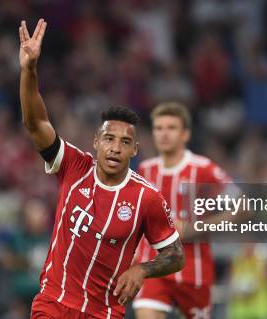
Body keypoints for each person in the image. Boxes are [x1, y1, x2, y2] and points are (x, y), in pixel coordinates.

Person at [17, 19, 185, 319]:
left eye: (125, 142)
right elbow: (36, 123)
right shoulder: (73, 165)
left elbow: (175, 255)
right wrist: (29, 70)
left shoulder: (146, 198)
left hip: (103, 313)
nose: (115, 148)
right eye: (109, 138)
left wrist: (142, 269)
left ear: (135, 149)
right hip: (53, 303)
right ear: (96, 142)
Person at [132, 102, 230, 319]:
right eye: (158, 128)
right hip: (154, 268)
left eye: (171, 128)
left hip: (194, 271)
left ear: (185, 134)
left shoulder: (204, 169)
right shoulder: (145, 170)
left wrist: (193, 228)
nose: (164, 134)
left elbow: (243, 208)